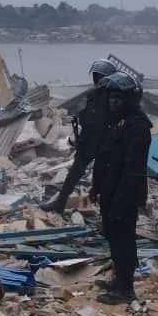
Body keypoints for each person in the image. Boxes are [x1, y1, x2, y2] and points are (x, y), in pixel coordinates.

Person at [91, 72, 152, 305]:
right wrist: (96, 187)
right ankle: (119, 280)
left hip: (124, 194)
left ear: (130, 99)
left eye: (118, 97)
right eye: (111, 97)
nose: (113, 102)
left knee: (124, 240)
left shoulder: (138, 127)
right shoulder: (116, 122)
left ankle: (126, 289)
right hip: (110, 190)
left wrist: (121, 200)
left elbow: (133, 170)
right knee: (113, 237)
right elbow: (104, 157)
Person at [46, 59, 118, 214]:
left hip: (104, 143)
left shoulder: (114, 97)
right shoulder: (94, 94)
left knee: (104, 177)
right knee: (73, 174)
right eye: (96, 75)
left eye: (100, 76)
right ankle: (59, 204)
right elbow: (87, 117)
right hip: (89, 140)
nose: (98, 78)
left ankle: (108, 211)